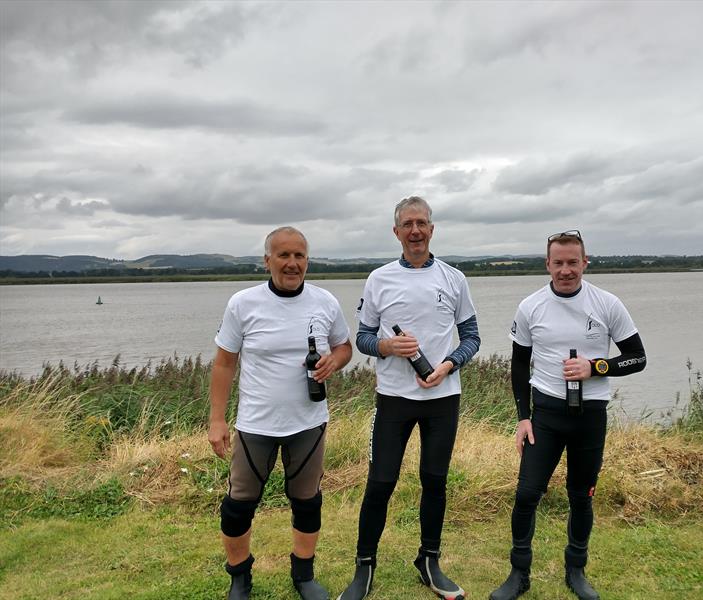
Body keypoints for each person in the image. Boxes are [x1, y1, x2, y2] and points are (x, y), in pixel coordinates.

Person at [489, 230, 646, 600]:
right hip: (544, 414)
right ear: (547, 264)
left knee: (582, 495)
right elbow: (518, 365)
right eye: (558, 263)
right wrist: (522, 417)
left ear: (584, 262)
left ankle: (576, 571)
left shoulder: (607, 304)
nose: (565, 270)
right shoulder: (531, 306)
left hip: (590, 415)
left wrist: (597, 367)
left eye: (572, 262)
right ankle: (518, 573)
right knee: (527, 494)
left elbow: (637, 357)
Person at [337, 196, 481, 600]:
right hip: (394, 399)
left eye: (422, 223)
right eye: (408, 224)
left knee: (434, 481)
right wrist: (387, 346)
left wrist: (448, 365)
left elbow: (472, 337)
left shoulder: (454, 278)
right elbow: (363, 338)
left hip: (442, 398)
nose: (415, 231)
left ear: (432, 230)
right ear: (396, 232)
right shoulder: (379, 278)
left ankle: (430, 561)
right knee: (380, 482)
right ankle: (364, 567)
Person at [208, 226, 353, 600]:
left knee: (308, 502)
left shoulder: (325, 302)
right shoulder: (243, 303)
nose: (292, 264)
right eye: (284, 255)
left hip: (309, 422)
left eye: (299, 256)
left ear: (308, 260)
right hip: (256, 424)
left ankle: (303, 575)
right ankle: (239, 577)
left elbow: (344, 348)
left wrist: (333, 363)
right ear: (267, 260)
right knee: (238, 506)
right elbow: (224, 363)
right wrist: (217, 419)